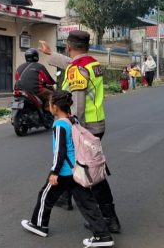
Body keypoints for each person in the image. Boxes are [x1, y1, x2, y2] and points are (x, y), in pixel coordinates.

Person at [39, 31, 121, 233]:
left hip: (84, 127)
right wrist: (51, 54)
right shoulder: (92, 63)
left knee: (92, 173)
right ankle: (66, 198)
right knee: (74, 165)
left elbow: (78, 104)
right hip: (96, 124)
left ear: (68, 46)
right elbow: (73, 64)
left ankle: (109, 219)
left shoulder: (78, 69)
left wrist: (71, 127)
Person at [21, 90, 114, 247]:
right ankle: (103, 235)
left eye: (49, 104)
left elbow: (60, 151)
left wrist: (54, 172)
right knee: (87, 203)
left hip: (64, 171)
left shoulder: (59, 125)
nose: (48, 106)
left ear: (55, 107)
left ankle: (38, 225)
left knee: (45, 195)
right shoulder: (73, 120)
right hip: (77, 170)